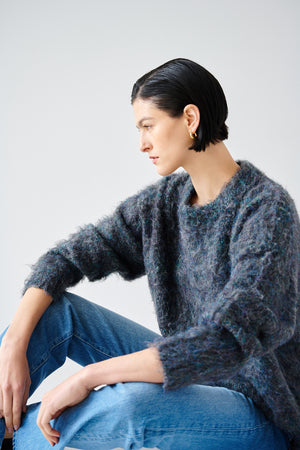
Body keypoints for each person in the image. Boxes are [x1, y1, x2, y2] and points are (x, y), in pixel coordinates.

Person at [0, 58, 299, 450]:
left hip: (260, 415)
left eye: (148, 126)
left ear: (190, 118)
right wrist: (13, 345)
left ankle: (13, 441)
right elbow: (67, 258)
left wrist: (90, 377)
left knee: (131, 403)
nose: (142, 143)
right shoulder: (164, 203)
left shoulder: (265, 209)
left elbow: (225, 339)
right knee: (56, 313)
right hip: (193, 377)